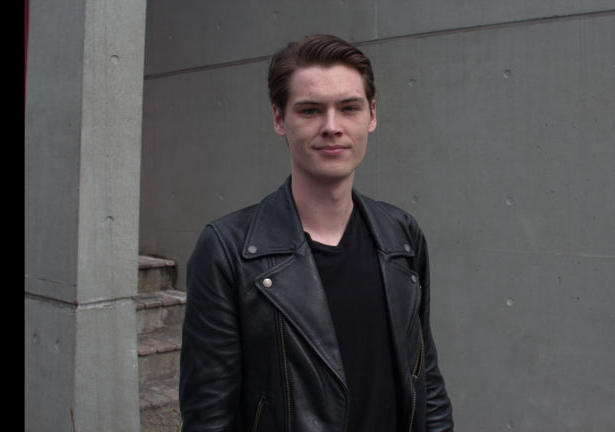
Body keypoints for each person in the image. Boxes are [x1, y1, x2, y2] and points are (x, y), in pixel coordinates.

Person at [179, 34, 454, 432]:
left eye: (349, 108)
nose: (332, 127)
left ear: (372, 115)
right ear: (279, 119)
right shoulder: (227, 250)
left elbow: (425, 381)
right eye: (310, 110)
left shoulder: (401, 235)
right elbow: (208, 417)